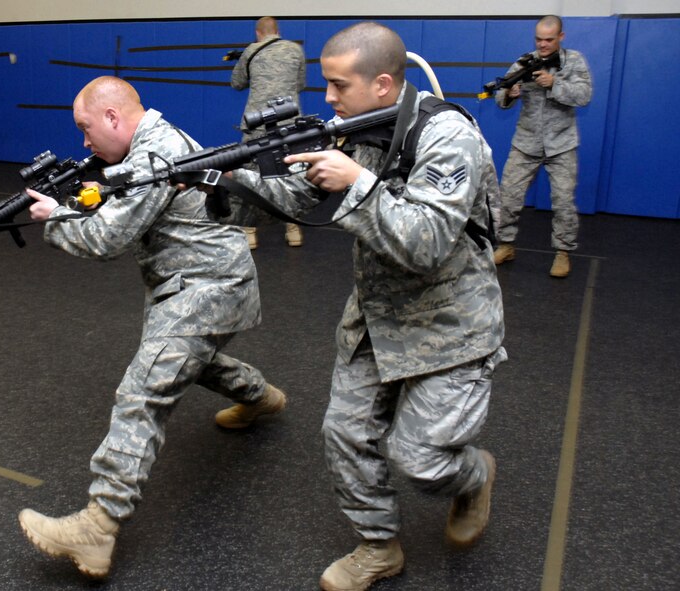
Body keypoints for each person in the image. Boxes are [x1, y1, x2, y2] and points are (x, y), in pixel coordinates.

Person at [222, 22, 507, 591]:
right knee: (344, 436)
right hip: (377, 315)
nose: (327, 98)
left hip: (450, 321)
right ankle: (378, 547)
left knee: (422, 460)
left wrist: (357, 183)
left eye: (336, 85)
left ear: (382, 84)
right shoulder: (355, 128)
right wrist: (226, 176)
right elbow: (301, 195)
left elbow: (425, 242)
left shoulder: (448, 137)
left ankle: (474, 476)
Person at [17, 76, 287, 579]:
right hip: (195, 283)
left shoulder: (153, 156)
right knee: (190, 363)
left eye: (86, 127)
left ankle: (98, 527)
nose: (84, 141)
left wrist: (54, 216)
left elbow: (106, 237)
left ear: (114, 118)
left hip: (206, 288)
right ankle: (261, 397)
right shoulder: (151, 147)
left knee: (143, 391)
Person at [492, 15, 592, 278]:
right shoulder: (525, 62)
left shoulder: (574, 61)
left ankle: (562, 253)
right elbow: (501, 95)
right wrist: (508, 96)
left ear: (561, 37)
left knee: (563, 202)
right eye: (539, 39)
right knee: (509, 196)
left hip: (561, 143)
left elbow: (584, 96)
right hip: (526, 142)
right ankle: (506, 245)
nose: (543, 44)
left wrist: (555, 84)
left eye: (549, 39)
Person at [230, 16, 307, 249]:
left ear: (258, 33)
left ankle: (250, 231)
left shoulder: (251, 51)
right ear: (278, 31)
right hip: (290, 120)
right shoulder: (296, 50)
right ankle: (293, 229)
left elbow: (237, 83)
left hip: (258, 123)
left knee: (251, 175)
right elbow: (300, 85)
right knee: (291, 173)